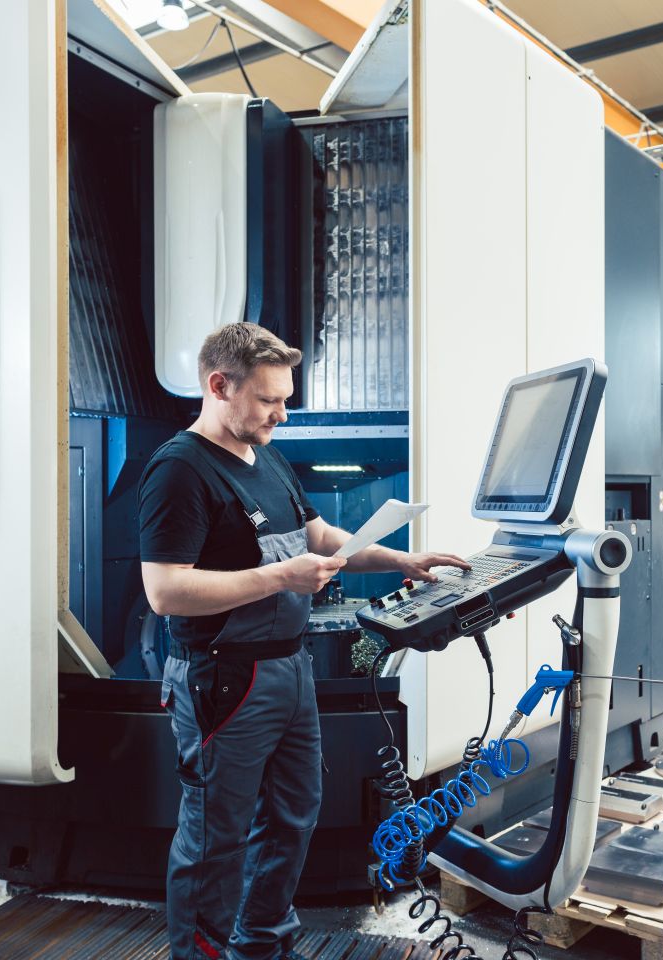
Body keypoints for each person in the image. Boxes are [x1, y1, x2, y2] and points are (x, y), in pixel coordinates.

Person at [139, 322, 467, 960]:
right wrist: (278, 578)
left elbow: (320, 538)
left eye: (285, 399)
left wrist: (400, 561)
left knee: (292, 819)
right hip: (224, 679)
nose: (281, 415)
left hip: (289, 671)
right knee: (215, 839)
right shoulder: (179, 470)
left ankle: (262, 946)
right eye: (269, 400)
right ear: (219, 386)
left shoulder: (266, 456)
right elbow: (165, 591)